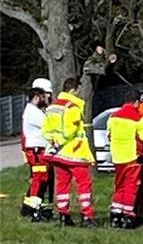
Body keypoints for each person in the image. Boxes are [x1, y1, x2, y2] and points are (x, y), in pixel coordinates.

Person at [42, 77, 97, 227]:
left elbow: (45, 130)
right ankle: (87, 216)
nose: (79, 93)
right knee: (84, 184)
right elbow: (70, 130)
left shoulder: (52, 106)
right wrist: (63, 139)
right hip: (74, 152)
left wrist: (54, 141)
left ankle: (63, 216)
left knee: (62, 185)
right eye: (78, 90)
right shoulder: (72, 107)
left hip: (57, 153)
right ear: (73, 90)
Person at [108, 88, 143, 228]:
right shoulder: (139, 119)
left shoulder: (113, 117)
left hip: (117, 156)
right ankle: (128, 216)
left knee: (119, 187)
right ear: (137, 103)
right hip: (132, 157)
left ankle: (115, 215)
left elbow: (109, 135)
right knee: (131, 187)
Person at [21, 78, 53, 221]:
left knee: (40, 179)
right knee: (38, 180)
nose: (47, 98)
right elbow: (48, 125)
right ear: (36, 97)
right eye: (44, 96)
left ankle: (32, 207)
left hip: (39, 151)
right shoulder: (33, 112)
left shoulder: (35, 111)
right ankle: (33, 209)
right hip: (36, 151)